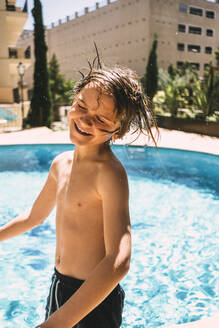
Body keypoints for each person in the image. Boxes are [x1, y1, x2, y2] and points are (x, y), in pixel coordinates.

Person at [0, 60, 159, 328]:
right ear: (74, 100)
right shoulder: (60, 164)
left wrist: (57, 323)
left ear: (117, 132)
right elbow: (34, 216)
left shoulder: (109, 174)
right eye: (82, 106)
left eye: (100, 119)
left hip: (94, 297)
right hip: (59, 285)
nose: (85, 120)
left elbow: (118, 260)